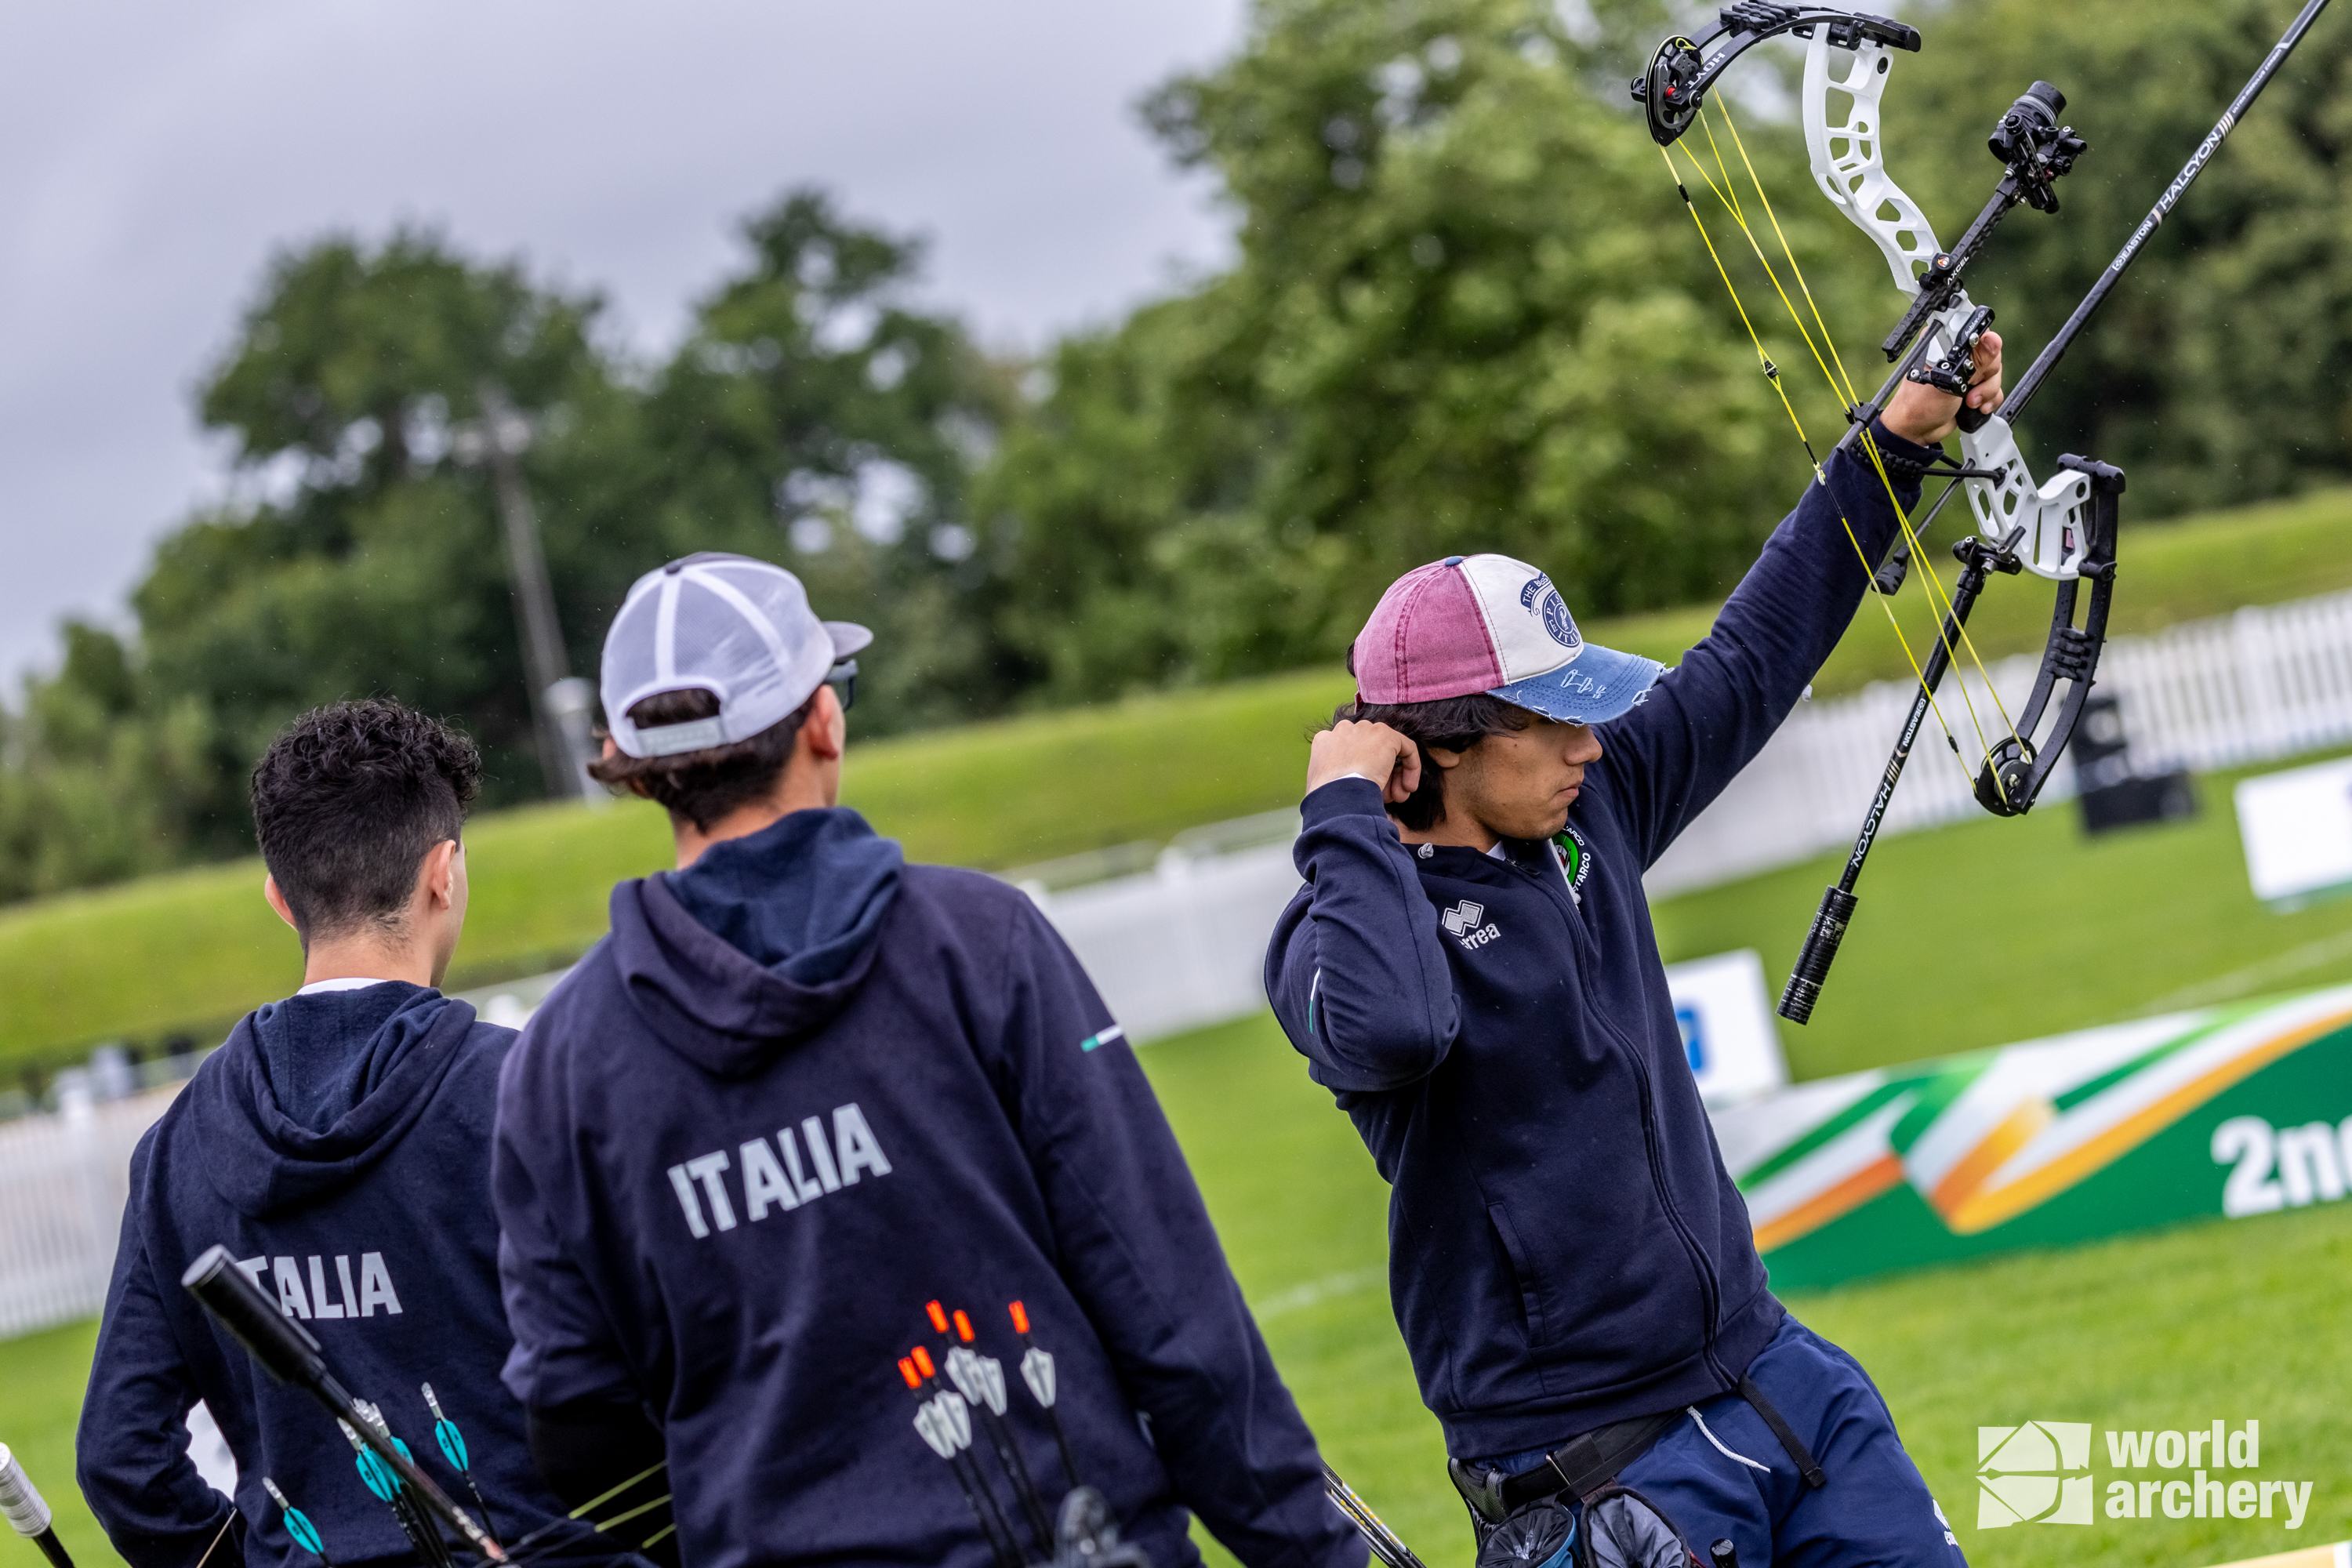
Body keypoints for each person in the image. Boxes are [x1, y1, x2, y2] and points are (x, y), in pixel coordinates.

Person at [1265, 347, 2012, 1566]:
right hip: (1597, 1475)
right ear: (1448, 742)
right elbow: (1399, 1029)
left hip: (1775, 1380)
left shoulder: (1580, 817)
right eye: (1553, 719)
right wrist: (1345, 812)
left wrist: (1902, 432)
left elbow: (1751, 659)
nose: (1590, 746)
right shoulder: (1333, 934)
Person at [492, 553, 1360, 1568]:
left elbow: (574, 1421)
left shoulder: (557, 1062)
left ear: (626, 762)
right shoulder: (981, 941)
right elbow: (1164, 1298)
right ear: (824, 718)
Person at [78, 699, 574, 1568]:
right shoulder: (528, 1093)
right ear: (443, 872)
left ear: (279, 896)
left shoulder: (177, 1144)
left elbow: (125, 1459)